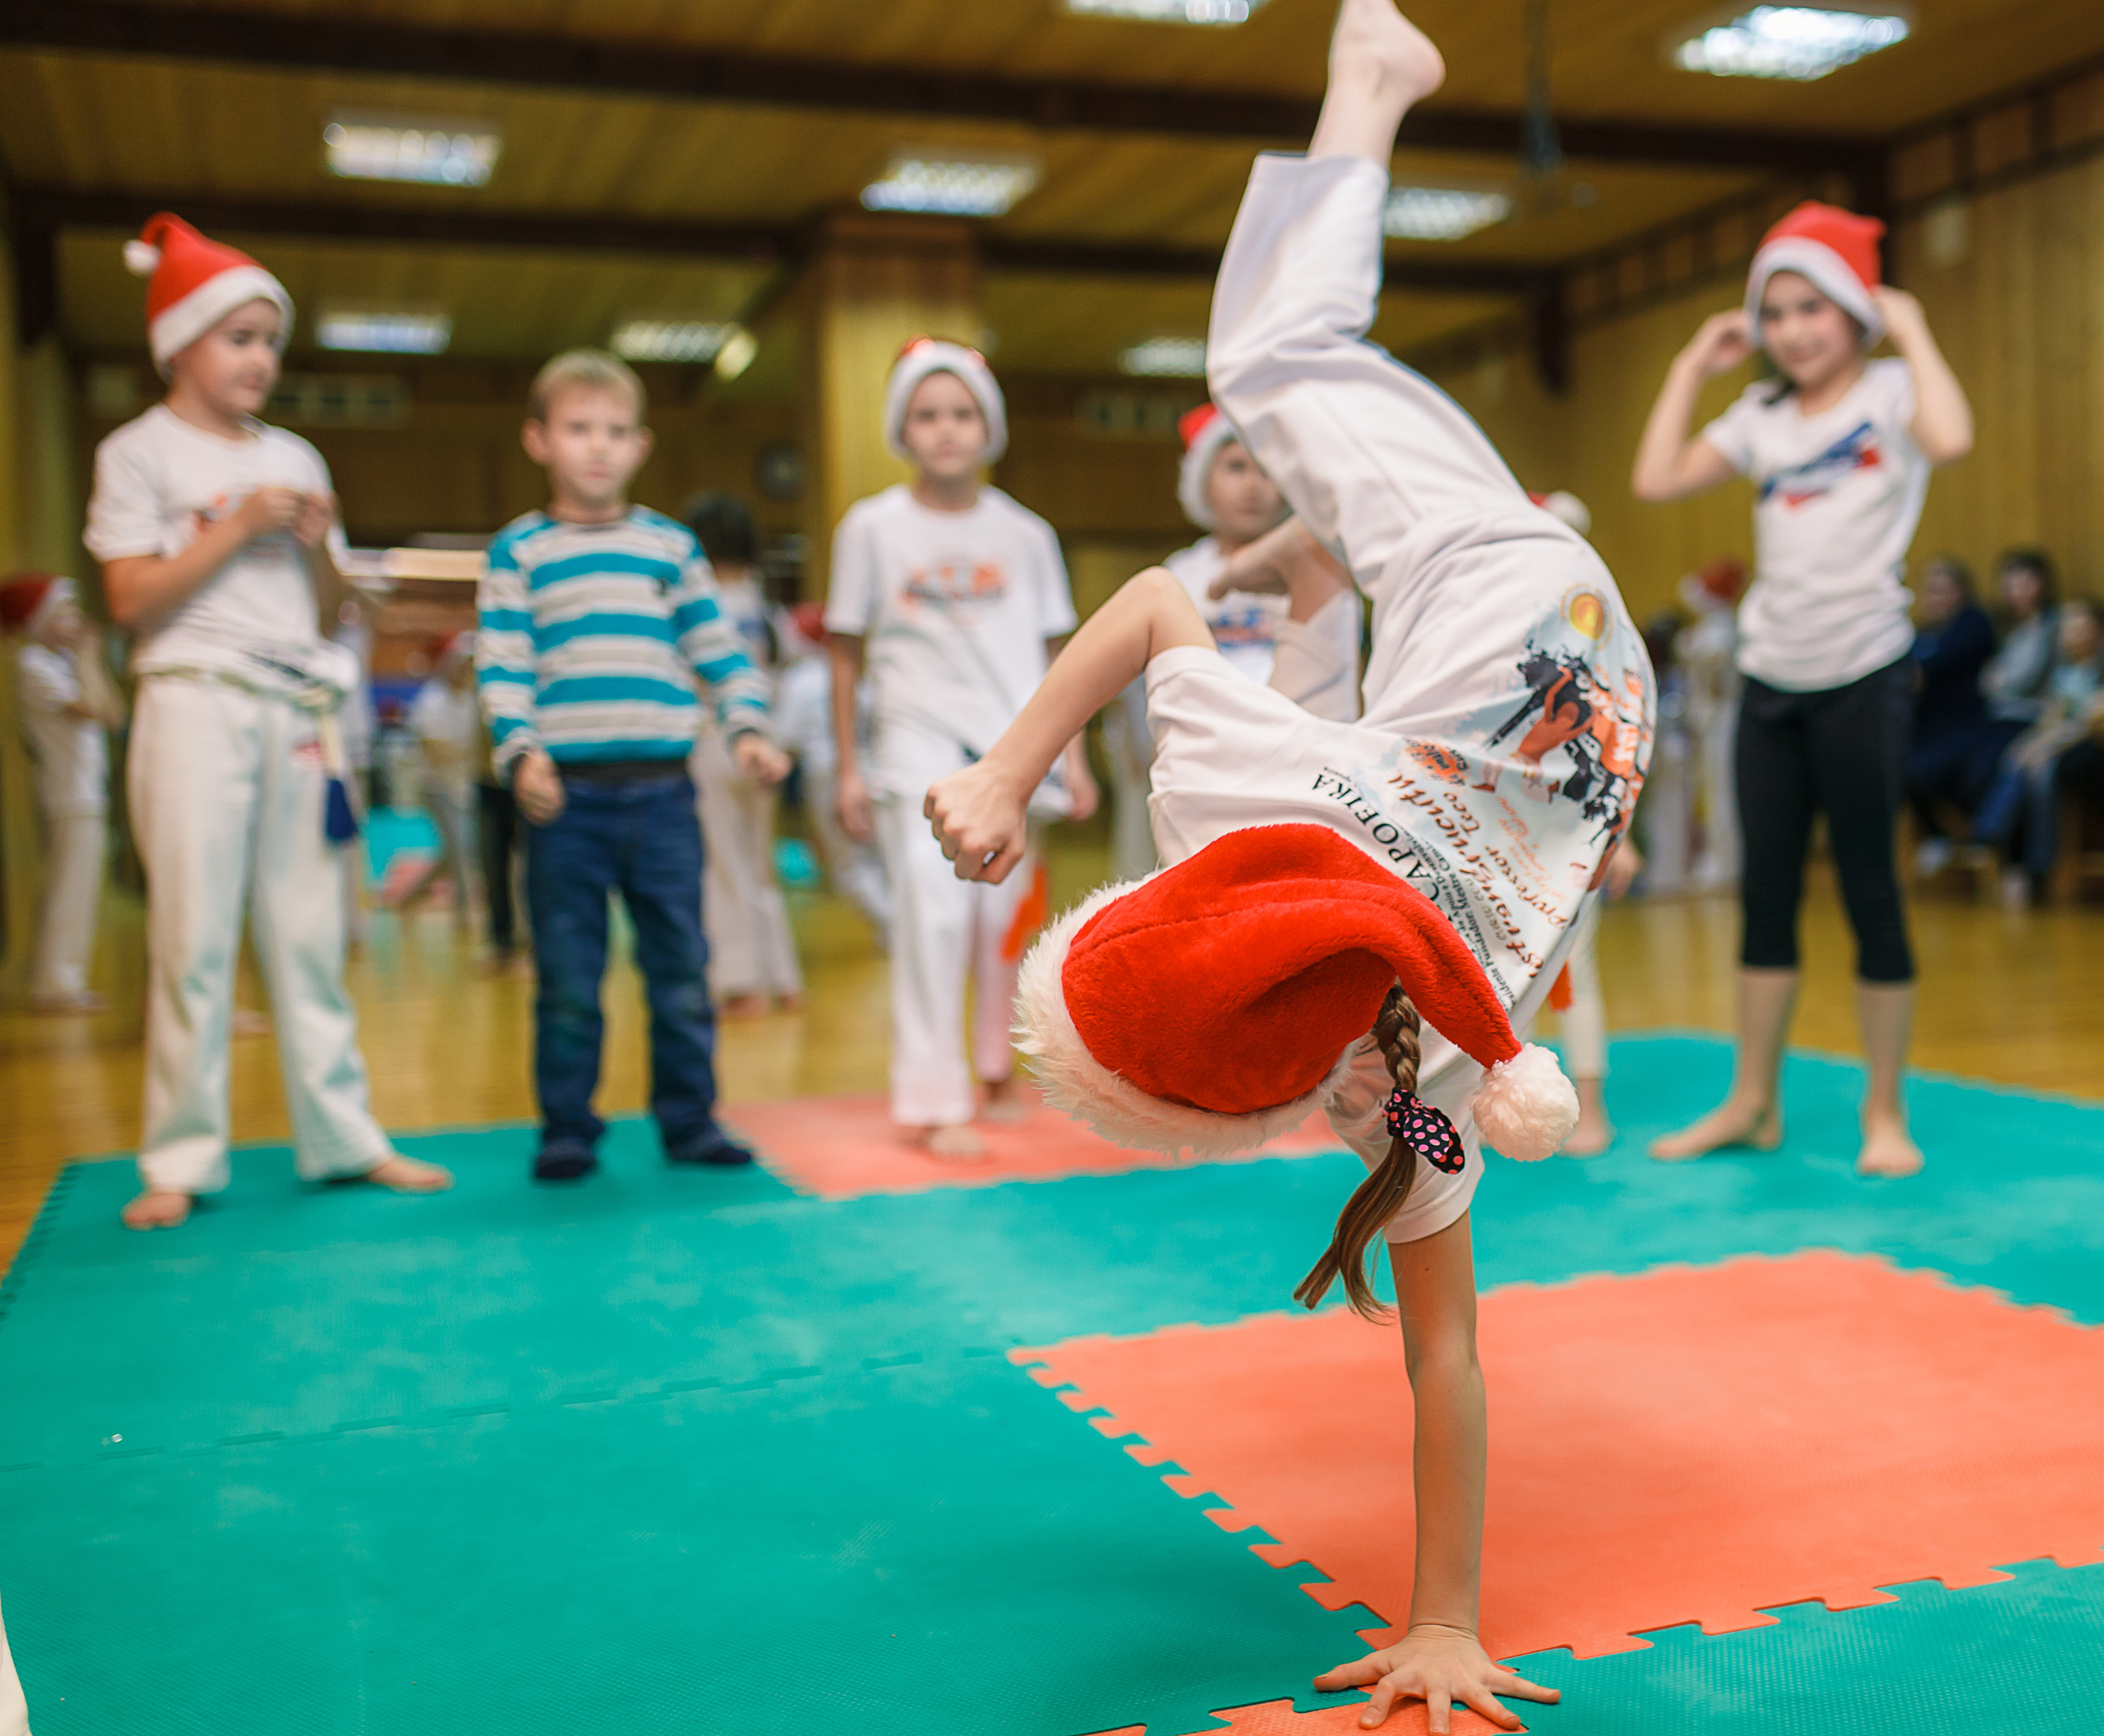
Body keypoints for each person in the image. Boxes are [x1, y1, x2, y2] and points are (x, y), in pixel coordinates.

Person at [927, 6, 1650, 1725]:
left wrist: (1447, 1621)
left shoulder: (1394, 1085)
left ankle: (1374, 73)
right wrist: (1006, 771)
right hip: (1508, 605)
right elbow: (1157, 605)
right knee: (1264, 344)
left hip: (1585, 702)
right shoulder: (1250, 822)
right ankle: (1367, 84)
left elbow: (1446, 1351)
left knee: (1279, 395)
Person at [85, 213, 453, 1230]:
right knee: (192, 936)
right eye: (237, 338)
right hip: (191, 701)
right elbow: (127, 601)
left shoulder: (296, 454)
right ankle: (181, 1158)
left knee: (308, 934)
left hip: (299, 711)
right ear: (179, 342)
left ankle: (343, 1139)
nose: (260, 360)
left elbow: (339, 609)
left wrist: (327, 548)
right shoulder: (138, 452)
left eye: (269, 342)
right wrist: (239, 525)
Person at [1632, 196, 1973, 1180]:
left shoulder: (1897, 394)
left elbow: (1949, 440)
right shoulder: (1761, 417)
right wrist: (1688, 367)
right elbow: (1657, 478)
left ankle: (1883, 1108)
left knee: (1871, 889)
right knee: (1765, 896)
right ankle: (1751, 1100)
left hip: (1864, 673)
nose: (1789, 331)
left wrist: (1906, 323)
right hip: (1768, 679)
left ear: (1854, 311)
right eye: (1772, 314)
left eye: (1810, 308)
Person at [476, 349, 790, 1183]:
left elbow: (717, 649)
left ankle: (688, 1119)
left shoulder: (668, 547)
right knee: (570, 979)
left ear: (642, 445)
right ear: (539, 440)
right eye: (579, 429)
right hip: (563, 802)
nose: (598, 447)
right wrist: (519, 752)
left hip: (662, 795)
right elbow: (502, 661)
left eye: (615, 431)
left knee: (682, 967)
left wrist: (747, 727)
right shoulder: (519, 553)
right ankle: (568, 1126)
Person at [824, 338, 1098, 1157]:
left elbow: (1060, 653)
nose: (945, 430)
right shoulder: (870, 528)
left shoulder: (1026, 534)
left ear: (990, 427)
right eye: (926, 414)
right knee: (931, 910)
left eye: (962, 413)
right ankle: (933, 1094)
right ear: (900, 429)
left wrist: (1072, 758)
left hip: (1015, 744)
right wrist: (846, 764)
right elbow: (844, 651)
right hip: (914, 742)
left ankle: (994, 1066)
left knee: (999, 920)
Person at [1105, 403, 1364, 880]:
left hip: (1292, 775)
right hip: (1200, 778)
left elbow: (1340, 690)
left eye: (1266, 471)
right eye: (1236, 467)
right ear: (1203, 479)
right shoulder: (1177, 578)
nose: (1253, 486)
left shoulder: (1319, 575)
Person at [683, 491, 804, 1017]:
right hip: (767, 742)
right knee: (758, 866)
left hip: (715, 740)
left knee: (722, 865)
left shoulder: (701, 606)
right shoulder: (765, 606)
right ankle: (783, 976)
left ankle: (740, 983)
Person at [2, 574, 123, 1013]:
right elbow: (94, 709)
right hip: (68, 796)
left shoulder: (61, 662)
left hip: (86, 793)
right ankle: (55, 982)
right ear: (39, 620)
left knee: (82, 885)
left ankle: (63, 976)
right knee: (71, 886)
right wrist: (90, 659)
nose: (75, 621)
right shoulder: (34, 664)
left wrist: (85, 661)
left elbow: (113, 714)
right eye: (64, 613)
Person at [773, 602, 891, 944]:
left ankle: (894, 931)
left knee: (850, 866)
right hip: (872, 769)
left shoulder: (799, 680)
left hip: (829, 775)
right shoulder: (857, 675)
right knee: (881, 858)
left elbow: (784, 738)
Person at [1974, 596, 2102, 904]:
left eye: (2079, 628)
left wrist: (2046, 748)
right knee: (2015, 757)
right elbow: (2053, 717)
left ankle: (2039, 861)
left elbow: (2090, 722)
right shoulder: (2064, 671)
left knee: (2043, 771)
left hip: (2089, 747)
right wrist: (2032, 745)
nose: (2071, 635)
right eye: (2067, 629)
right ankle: (1992, 834)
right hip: (2063, 740)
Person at [1903, 555, 1996, 873]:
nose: (1937, 597)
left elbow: (1920, 675)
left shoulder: (1973, 623)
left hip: (1968, 727)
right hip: (1927, 729)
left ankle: (1970, 838)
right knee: (1893, 765)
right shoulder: (1922, 633)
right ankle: (1940, 837)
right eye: (1931, 590)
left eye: (1945, 589)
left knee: (1921, 769)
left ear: (1962, 592)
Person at [389, 630, 479, 926]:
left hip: (464, 786)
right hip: (436, 788)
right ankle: (465, 919)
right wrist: (468, 754)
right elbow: (434, 750)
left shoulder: (470, 700)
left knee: (457, 851)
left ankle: (408, 898)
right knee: (459, 851)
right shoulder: (432, 700)